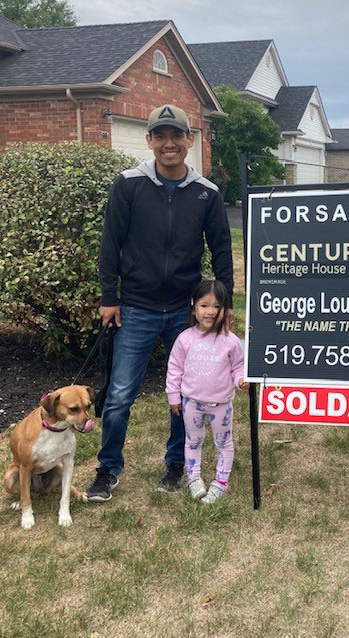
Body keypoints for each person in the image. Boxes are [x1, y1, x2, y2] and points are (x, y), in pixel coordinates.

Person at [86, 104, 235, 502]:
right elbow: (110, 244)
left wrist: (224, 305)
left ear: (190, 139)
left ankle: (176, 463)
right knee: (119, 395)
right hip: (135, 306)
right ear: (149, 140)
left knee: (187, 394)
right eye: (160, 136)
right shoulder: (128, 184)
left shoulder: (207, 193)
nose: (169, 143)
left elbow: (221, 250)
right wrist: (109, 296)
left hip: (186, 313)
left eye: (177, 135)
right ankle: (108, 469)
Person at [166, 280, 247, 504]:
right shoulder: (185, 339)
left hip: (221, 404)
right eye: (204, 305)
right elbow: (174, 369)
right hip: (192, 403)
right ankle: (193, 478)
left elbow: (238, 366)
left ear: (225, 309)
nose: (210, 311)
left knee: (224, 443)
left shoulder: (231, 341)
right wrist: (174, 396)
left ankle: (221, 482)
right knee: (192, 441)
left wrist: (240, 380)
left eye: (217, 306)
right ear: (194, 308)